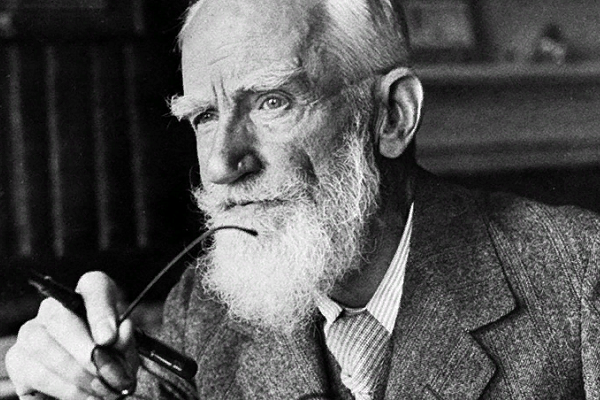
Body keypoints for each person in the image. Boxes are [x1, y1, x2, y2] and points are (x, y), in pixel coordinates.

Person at [5, 0, 600, 398]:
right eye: (204, 116)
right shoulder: (203, 308)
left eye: (272, 102)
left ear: (392, 116)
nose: (220, 166)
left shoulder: (580, 281)